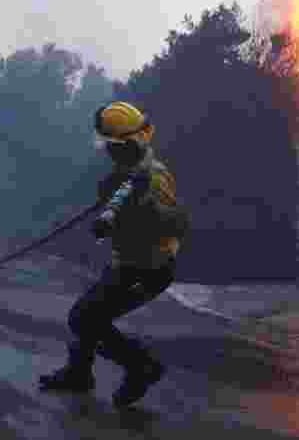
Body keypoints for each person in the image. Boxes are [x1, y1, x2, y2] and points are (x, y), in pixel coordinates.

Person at [39, 101, 190, 408]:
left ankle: (141, 367)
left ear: (128, 145)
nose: (107, 151)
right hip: (128, 264)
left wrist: (140, 209)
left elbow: (177, 224)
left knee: (84, 317)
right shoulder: (127, 172)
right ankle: (79, 373)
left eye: (111, 145)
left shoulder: (154, 178)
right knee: (90, 313)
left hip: (150, 269)